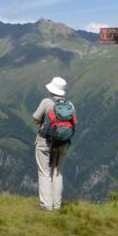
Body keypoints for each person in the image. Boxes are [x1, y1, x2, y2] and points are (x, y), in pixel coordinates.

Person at [32, 76, 76, 211]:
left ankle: (46, 205)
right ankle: (57, 205)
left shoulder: (47, 102)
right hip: (63, 143)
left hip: (45, 143)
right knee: (58, 173)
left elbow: (36, 118)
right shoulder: (70, 105)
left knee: (44, 173)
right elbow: (74, 123)